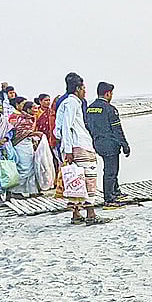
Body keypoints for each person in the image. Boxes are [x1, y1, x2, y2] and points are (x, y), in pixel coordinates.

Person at [55, 73, 103, 224]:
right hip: (80, 145)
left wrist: (67, 148)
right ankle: (90, 213)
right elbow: (66, 127)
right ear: (77, 89)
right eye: (83, 88)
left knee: (74, 179)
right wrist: (69, 150)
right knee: (89, 178)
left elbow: (58, 130)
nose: (85, 92)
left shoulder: (65, 102)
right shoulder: (72, 103)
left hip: (73, 146)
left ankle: (76, 214)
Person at [85, 82, 131, 205]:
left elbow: (87, 126)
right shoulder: (110, 109)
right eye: (111, 93)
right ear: (107, 93)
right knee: (111, 171)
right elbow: (117, 129)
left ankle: (115, 191)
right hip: (110, 144)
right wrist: (125, 145)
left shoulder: (89, 108)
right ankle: (109, 198)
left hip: (97, 142)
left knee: (110, 168)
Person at [7, 98, 43, 198]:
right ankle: (15, 191)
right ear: (28, 109)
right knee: (24, 168)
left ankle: (32, 190)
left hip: (28, 144)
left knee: (31, 167)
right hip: (20, 144)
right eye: (34, 108)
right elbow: (19, 131)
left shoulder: (31, 118)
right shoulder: (20, 118)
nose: (36, 110)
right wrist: (34, 134)